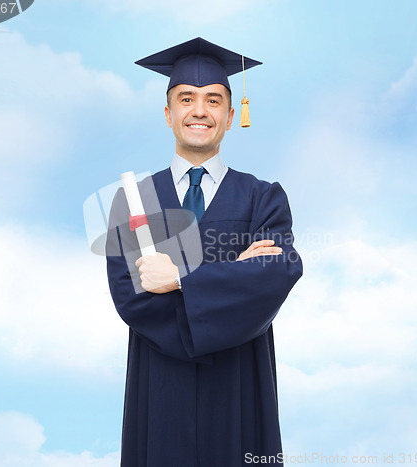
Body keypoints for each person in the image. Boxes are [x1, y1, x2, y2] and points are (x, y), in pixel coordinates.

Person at [106, 37, 303, 467]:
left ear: (230, 117)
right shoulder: (133, 201)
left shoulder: (263, 198)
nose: (200, 110)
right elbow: (131, 295)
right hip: (160, 384)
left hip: (239, 382)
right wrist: (234, 279)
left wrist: (178, 281)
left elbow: (278, 273)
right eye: (186, 99)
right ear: (168, 113)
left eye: (213, 100)